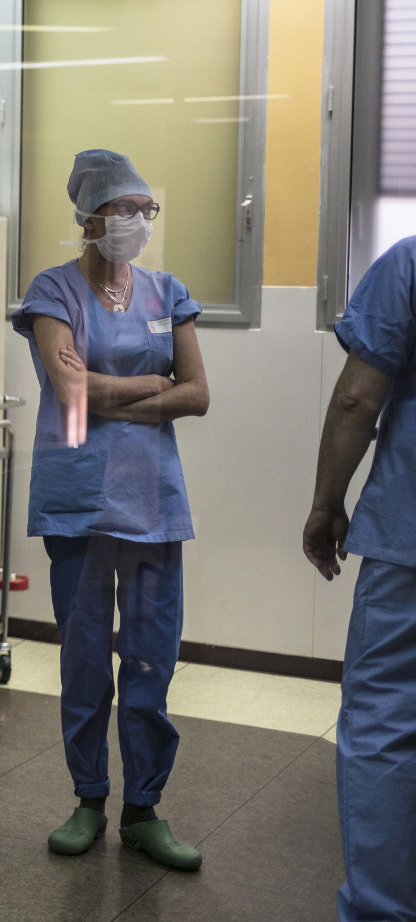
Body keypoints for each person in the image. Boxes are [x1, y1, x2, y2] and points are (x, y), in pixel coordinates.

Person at [13, 149, 210, 871]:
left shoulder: (168, 292)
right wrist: (151, 387)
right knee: (86, 658)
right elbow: (70, 394)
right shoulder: (53, 289)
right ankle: (89, 799)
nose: (135, 221)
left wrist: (107, 391)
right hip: (79, 500)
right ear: (88, 217)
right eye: (121, 209)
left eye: (144, 209)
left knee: (152, 658)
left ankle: (144, 808)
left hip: (153, 499)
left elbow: (198, 394)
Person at [301, 237, 416, 921]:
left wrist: (325, 503)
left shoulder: (410, 263)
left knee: (385, 723)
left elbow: (356, 400)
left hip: (408, 540)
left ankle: (382, 909)